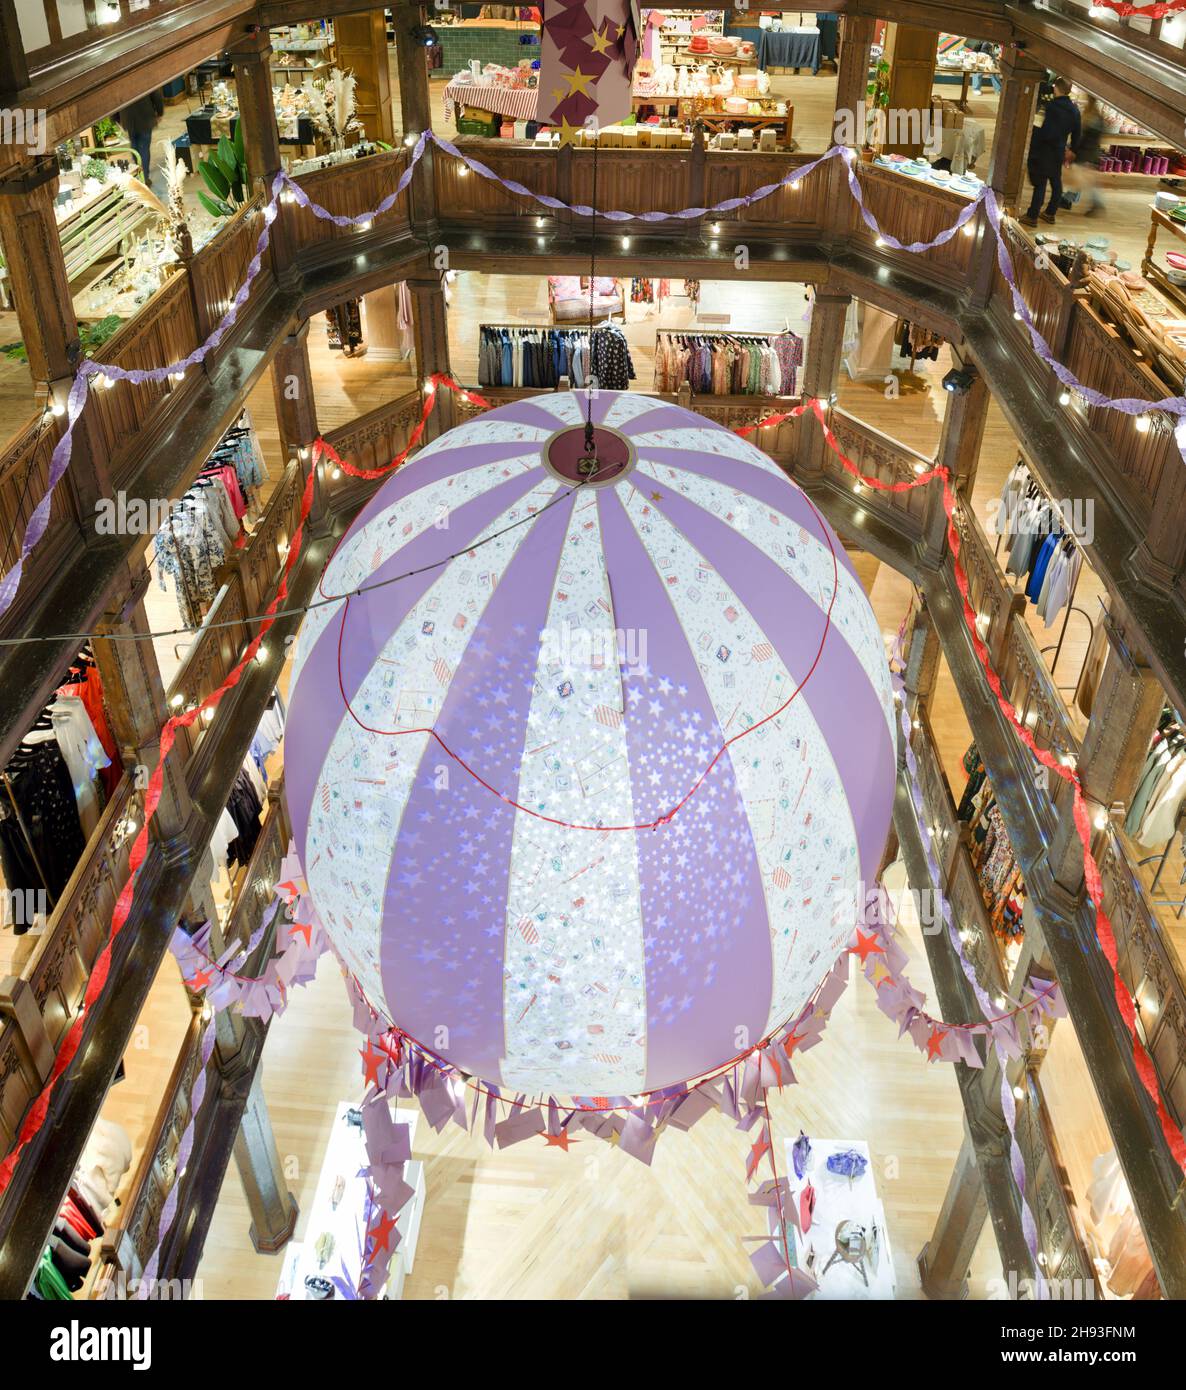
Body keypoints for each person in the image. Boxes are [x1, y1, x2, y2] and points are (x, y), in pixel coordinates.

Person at [1020, 77, 1081, 228]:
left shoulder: (1051, 107)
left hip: (1044, 149)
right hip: (1059, 149)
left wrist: (1032, 146)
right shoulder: (1075, 110)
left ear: (1056, 88)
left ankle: (1032, 215)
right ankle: (1050, 213)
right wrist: (1072, 150)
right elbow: (1077, 133)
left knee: (1040, 183)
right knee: (1055, 181)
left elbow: (1042, 130)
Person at [118, 90, 164, 184]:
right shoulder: (142, 77)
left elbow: (113, 99)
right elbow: (156, 94)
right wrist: (160, 112)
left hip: (128, 117)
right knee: (143, 148)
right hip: (145, 116)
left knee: (135, 146)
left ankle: (139, 174)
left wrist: (116, 118)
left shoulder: (119, 80)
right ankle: (144, 177)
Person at [1074, 92, 1107, 217]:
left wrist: (1077, 150)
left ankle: (1097, 205)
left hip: (1087, 153)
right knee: (1088, 180)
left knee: (1086, 180)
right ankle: (1069, 199)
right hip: (1092, 152)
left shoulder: (1091, 117)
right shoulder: (1097, 116)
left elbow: (1085, 138)